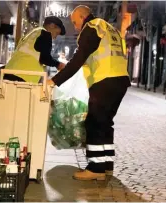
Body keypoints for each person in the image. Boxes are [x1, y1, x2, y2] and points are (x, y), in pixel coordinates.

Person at [48, 5, 131, 181]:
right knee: (105, 123)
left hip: (105, 80)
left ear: (82, 16)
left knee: (94, 122)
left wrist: (55, 80)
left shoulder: (92, 27)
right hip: (120, 80)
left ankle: (96, 168)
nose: (76, 26)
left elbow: (79, 58)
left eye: (75, 21)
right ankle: (107, 165)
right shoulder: (109, 28)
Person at [4, 16, 66, 83]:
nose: (54, 37)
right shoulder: (45, 34)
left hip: (8, 72)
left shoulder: (32, 33)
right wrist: (58, 64)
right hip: (23, 76)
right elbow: (45, 58)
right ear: (52, 25)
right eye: (56, 33)